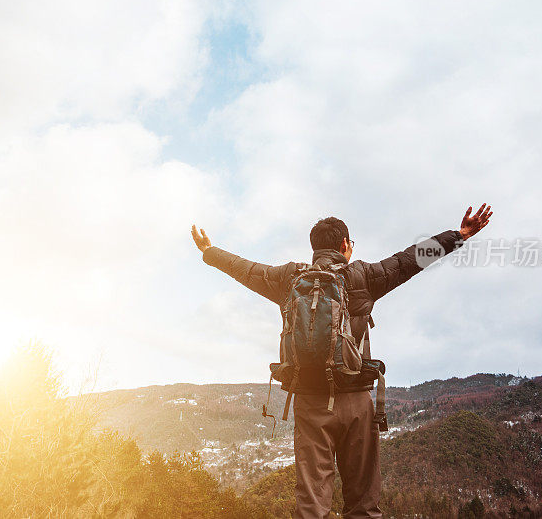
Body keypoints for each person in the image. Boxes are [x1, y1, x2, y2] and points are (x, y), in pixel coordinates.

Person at [191, 204, 493, 518]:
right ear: (344, 246)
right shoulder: (363, 275)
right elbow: (411, 259)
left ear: (314, 249)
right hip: (356, 402)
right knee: (363, 502)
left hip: (309, 403)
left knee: (312, 503)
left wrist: (210, 251)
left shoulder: (290, 279)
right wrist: (459, 235)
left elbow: (246, 269)